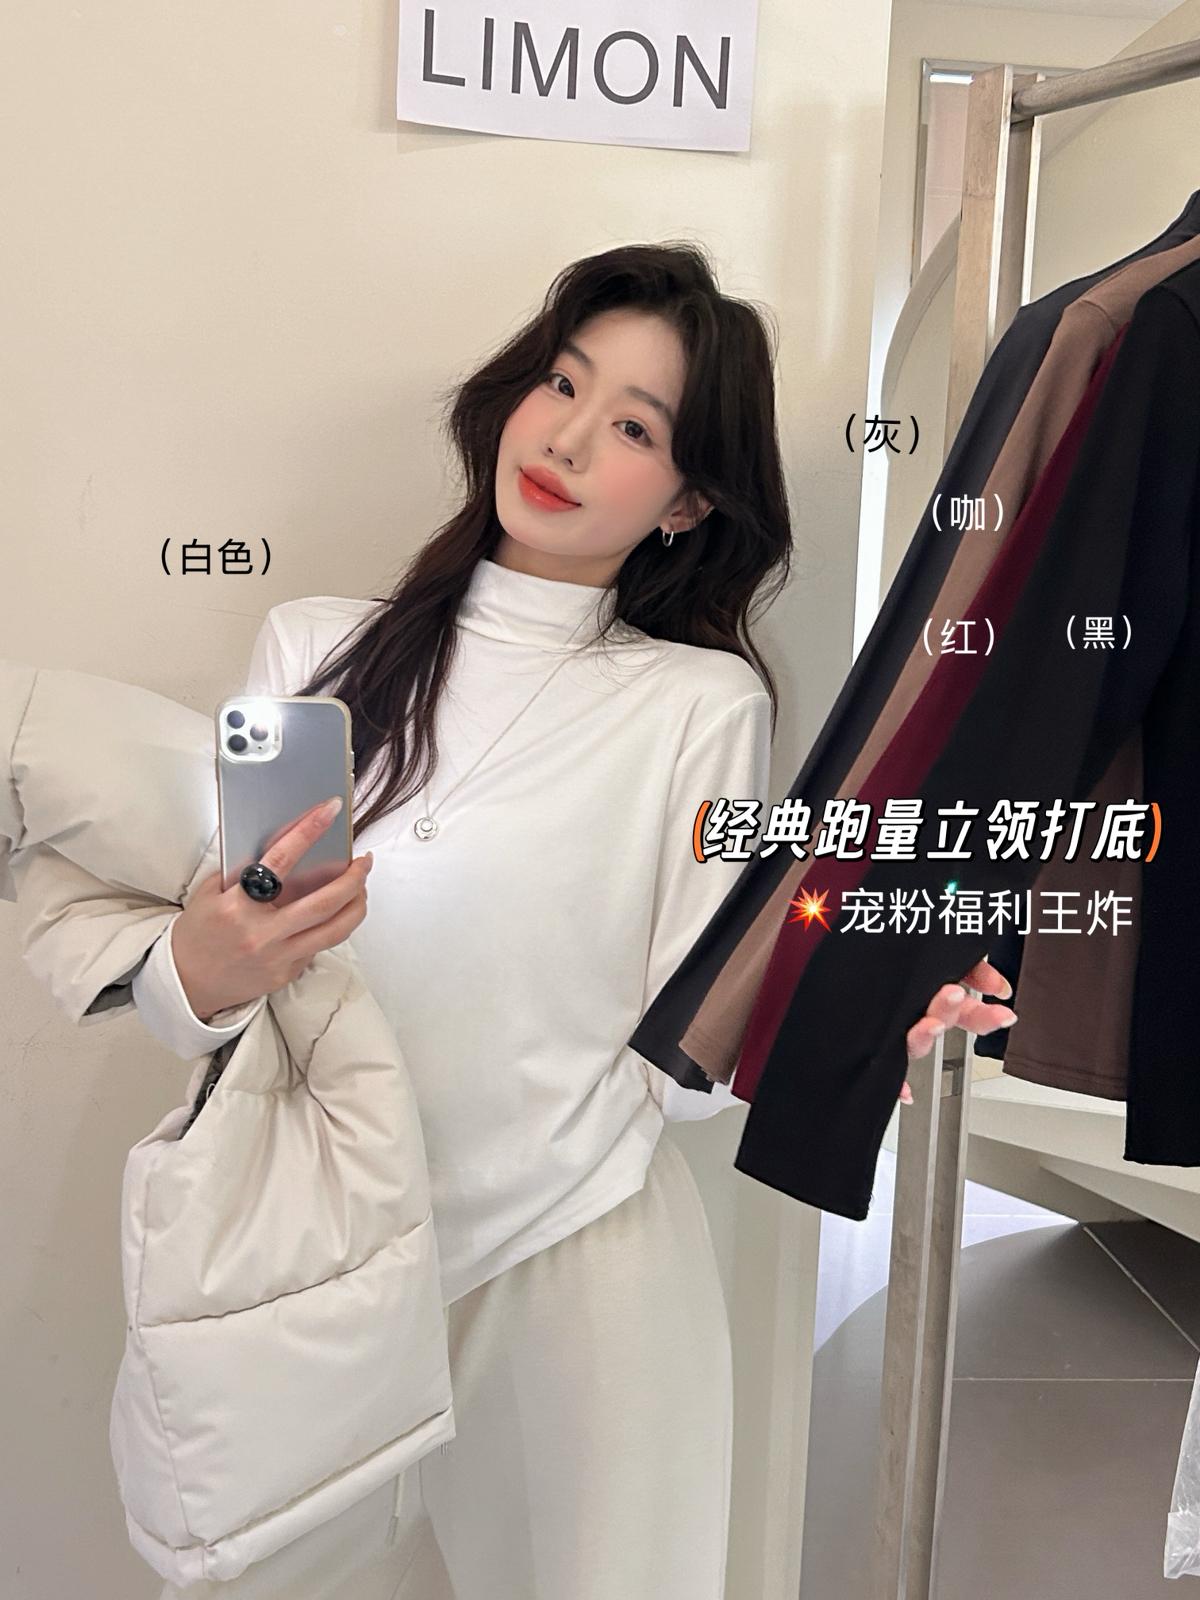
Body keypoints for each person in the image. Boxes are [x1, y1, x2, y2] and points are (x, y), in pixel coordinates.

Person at [131, 241, 1018, 1599]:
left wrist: (849, 1021)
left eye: (636, 427)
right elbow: (198, 1020)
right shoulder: (315, 651)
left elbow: (683, 1063)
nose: (567, 439)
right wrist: (196, 971)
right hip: (307, 1263)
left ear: (689, 499)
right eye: (563, 383)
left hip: (576, 1262)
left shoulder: (698, 705)